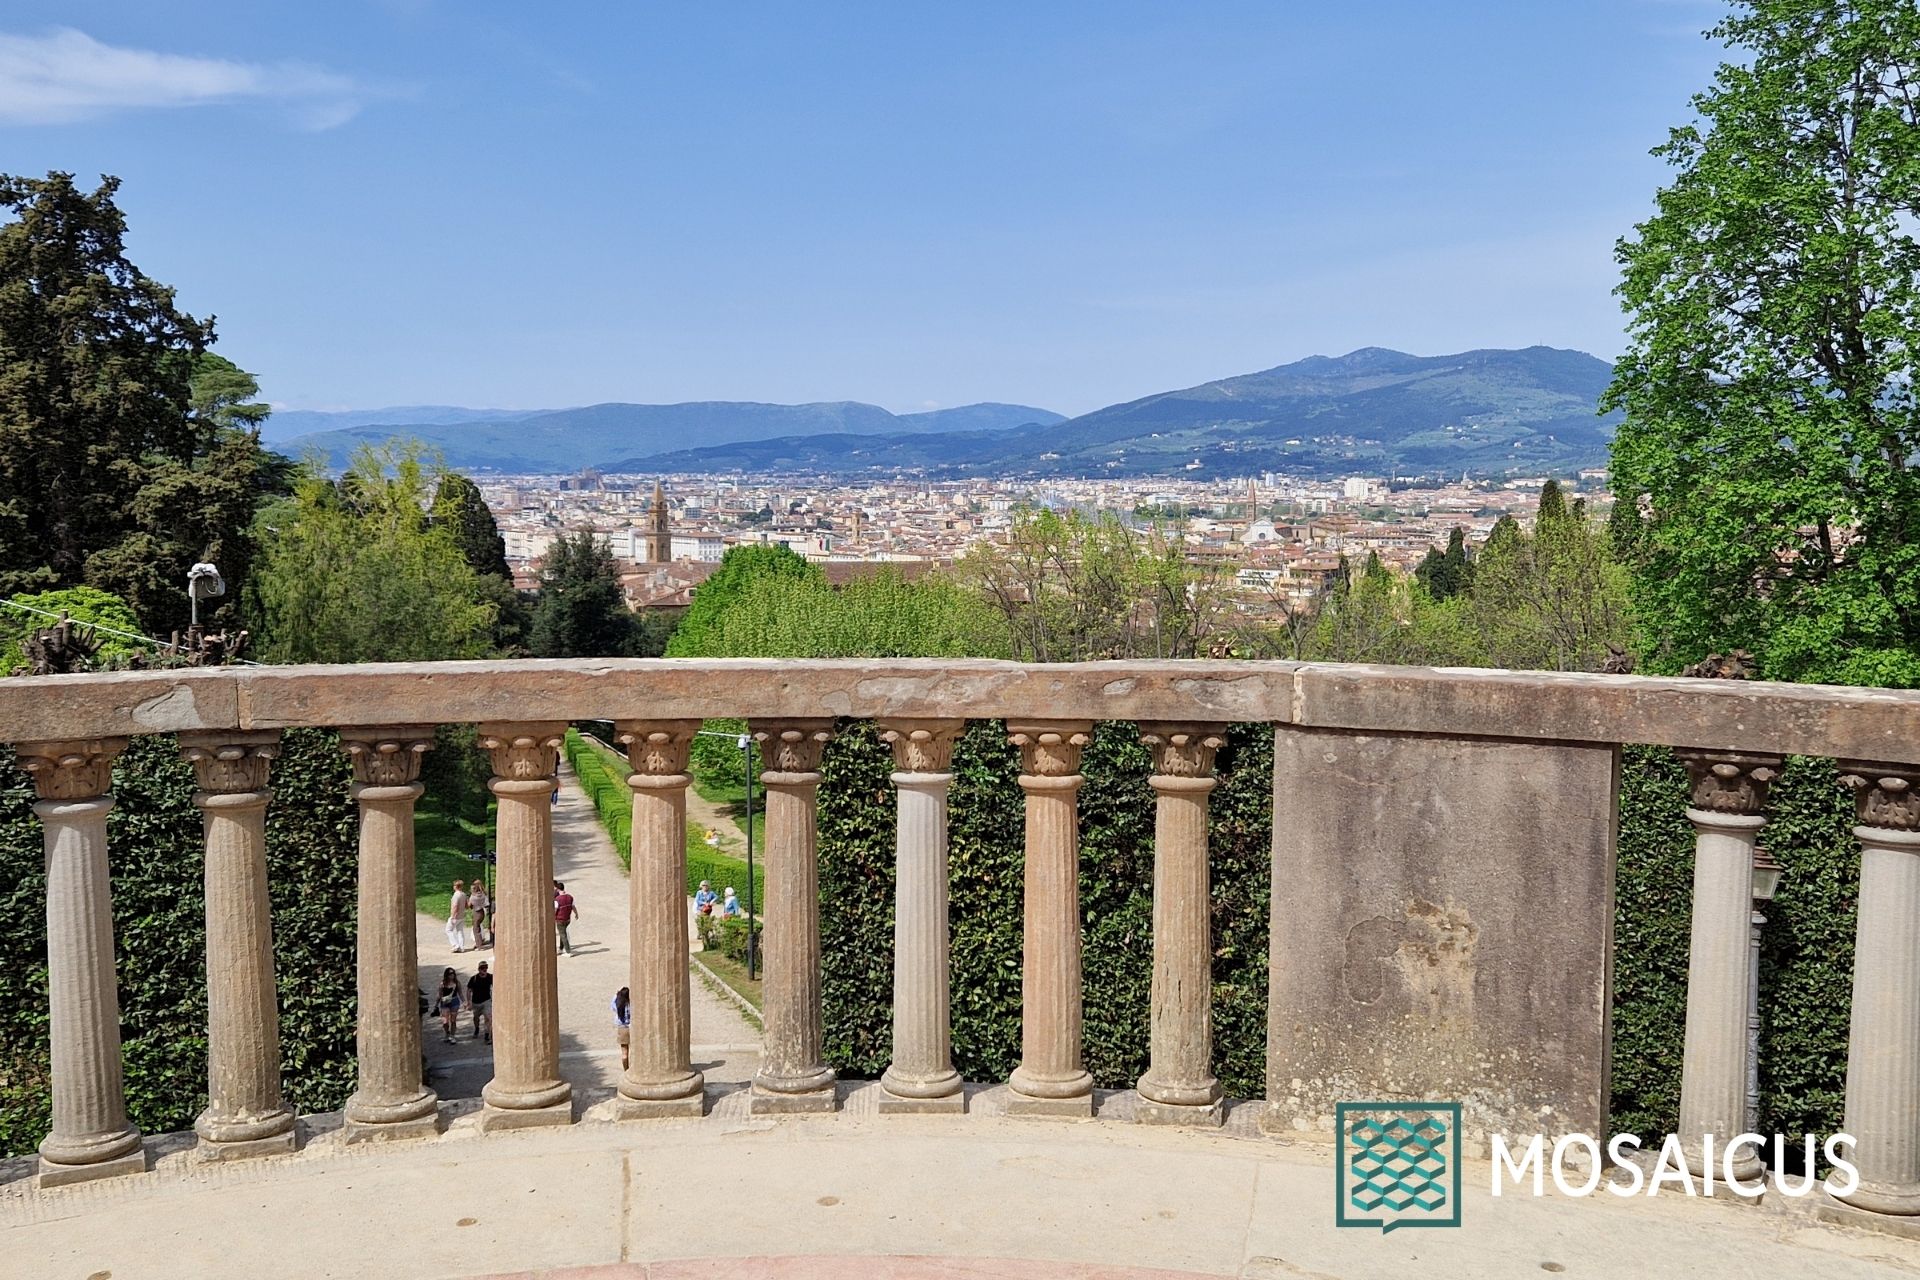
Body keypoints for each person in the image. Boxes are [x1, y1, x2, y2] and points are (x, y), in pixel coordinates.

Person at [467, 961, 493, 1044]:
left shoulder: (490, 977)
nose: (484, 969)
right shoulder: (474, 979)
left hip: (486, 1001)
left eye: (485, 967)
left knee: (488, 1018)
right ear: (479, 969)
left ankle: (487, 1035)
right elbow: (469, 990)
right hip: (476, 1003)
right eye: (482, 968)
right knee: (476, 1018)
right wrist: (469, 1002)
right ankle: (477, 1028)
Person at [435, 967, 462, 1044]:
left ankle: (452, 1036)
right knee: (445, 1021)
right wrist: (436, 1005)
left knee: (453, 1020)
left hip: (454, 1002)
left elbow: (460, 993)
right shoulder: (442, 984)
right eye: (450, 974)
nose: (452, 975)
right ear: (446, 975)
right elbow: (439, 995)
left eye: (453, 973)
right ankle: (447, 1033)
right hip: (445, 1003)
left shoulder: (457, 983)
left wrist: (464, 1002)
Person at [554, 880, 579, 955]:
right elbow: (573, 906)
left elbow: (555, 909)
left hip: (560, 919)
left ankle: (568, 951)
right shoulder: (570, 897)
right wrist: (576, 914)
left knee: (563, 935)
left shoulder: (557, 899)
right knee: (563, 933)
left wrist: (552, 917)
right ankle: (561, 949)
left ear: (558, 889)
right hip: (568, 919)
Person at [469, 876, 493, 948]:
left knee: (476, 929)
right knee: (479, 927)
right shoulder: (483, 894)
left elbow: (470, 904)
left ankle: (479, 945)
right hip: (482, 911)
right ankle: (480, 941)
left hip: (476, 911)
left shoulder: (473, 897)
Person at [447, 879, 470, 953]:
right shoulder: (464, 894)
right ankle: (462, 946)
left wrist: (453, 916)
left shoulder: (456, 895)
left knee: (448, 930)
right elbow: (467, 906)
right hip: (462, 915)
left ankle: (455, 945)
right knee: (460, 931)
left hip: (456, 916)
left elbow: (455, 906)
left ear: (455, 886)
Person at [613, 986, 632, 1071]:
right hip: (632, 1028)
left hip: (622, 1029)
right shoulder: (630, 1004)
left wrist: (616, 995)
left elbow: (613, 1005)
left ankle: (626, 1069)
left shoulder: (619, 1004)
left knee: (624, 1053)